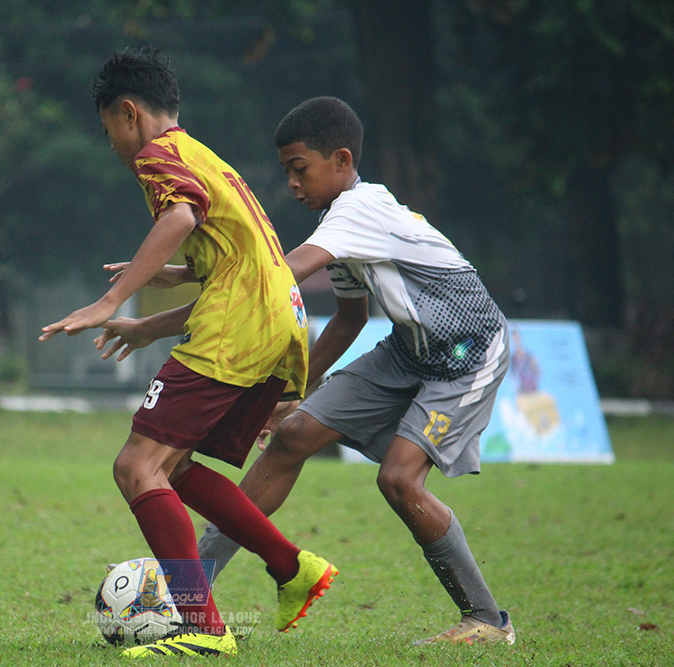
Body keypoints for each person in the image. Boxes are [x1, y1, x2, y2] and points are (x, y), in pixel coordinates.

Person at [106, 96, 516, 646]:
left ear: (341, 161)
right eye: (286, 173)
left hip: (469, 351)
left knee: (397, 479)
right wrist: (298, 395)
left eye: (300, 170)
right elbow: (350, 318)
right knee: (293, 435)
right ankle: (195, 588)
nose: (293, 184)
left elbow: (268, 279)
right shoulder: (338, 224)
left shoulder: (358, 211)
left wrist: (174, 288)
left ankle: (487, 620)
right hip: (409, 351)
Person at [39, 48, 336, 658]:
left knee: (136, 467)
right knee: (172, 467)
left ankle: (203, 628)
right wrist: (165, 293)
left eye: (107, 133)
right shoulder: (201, 154)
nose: (114, 147)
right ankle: (292, 568)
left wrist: (112, 300)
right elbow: (230, 250)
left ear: (129, 115)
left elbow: (179, 215)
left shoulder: (157, 155)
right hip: (278, 319)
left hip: (238, 327)